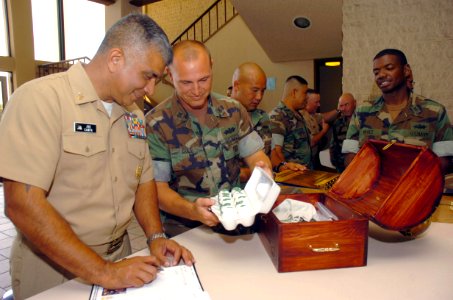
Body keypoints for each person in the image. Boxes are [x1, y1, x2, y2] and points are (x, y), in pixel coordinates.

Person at [0, 14, 194, 299]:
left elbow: (143, 183)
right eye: (148, 76)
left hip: (120, 257)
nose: (151, 89)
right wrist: (105, 272)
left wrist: (155, 237)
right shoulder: (40, 100)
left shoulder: (134, 116)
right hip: (54, 270)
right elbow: (22, 205)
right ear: (116, 59)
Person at [145, 40, 272, 233]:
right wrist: (192, 211)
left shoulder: (234, 111)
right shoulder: (157, 123)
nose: (196, 91)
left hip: (236, 225)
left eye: (203, 80)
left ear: (212, 66)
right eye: (186, 82)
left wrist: (262, 170)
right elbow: (157, 189)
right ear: (170, 75)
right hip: (185, 230)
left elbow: (256, 156)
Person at [343, 48, 453, 173]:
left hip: (416, 189)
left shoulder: (434, 111)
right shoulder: (362, 112)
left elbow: (444, 161)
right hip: (372, 188)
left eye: (389, 68)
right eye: (376, 72)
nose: (381, 75)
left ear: (406, 70)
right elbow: (349, 155)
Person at [231, 62, 271, 181]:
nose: (259, 97)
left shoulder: (262, 117)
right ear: (236, 86)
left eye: (262, 91)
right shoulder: (219, 116)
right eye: (254, 90)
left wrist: (282, 165)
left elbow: (267, 158)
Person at [269, 75, 311, 172]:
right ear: (294, 92)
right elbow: (276, 153)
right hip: (290, 178)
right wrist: (287, 174)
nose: (307, 97)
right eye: (305, 93)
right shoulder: (277, 117)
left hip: (302, 174)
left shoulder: (297, 115)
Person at [300, 89, 338, 170]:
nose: (319, 105)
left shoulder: (312, 115)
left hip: (314, 159)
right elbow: (312, 142)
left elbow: (324, 117)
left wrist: (339, 109)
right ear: (307, 102)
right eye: (316, 102)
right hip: (304, 162)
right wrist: (324, 131)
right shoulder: (302, 117)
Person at [329, 93, 356, 172]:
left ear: (354, 103)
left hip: (358, 164)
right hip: (341, 166)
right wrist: (335, 163)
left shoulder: (363, 121)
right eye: (341, 105)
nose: (344, 108)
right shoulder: (337, 122)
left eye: (346, 104)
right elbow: (333, 145)